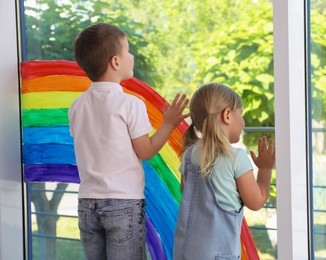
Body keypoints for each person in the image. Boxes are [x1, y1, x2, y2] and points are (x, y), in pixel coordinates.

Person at [68, 23, 189, 260]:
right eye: (128, 50)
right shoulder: (130, 104)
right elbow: (145, 151)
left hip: (87, 205)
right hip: (123, 205)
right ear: (115, 62)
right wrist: (168, 124)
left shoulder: (77, 106)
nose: (131, 56)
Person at [173, 82, 275, 260]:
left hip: (185, 252)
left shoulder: (190, 154)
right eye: (241, 114)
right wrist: (265, 169)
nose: (243, 121)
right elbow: (256, 202)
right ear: (227, 115)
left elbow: (186, 190)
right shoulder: (236, 157)